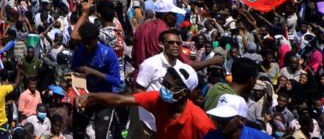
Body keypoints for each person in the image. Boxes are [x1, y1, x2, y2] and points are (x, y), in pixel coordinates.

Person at [76, 65, 216, 139]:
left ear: (184, 93)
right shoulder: (158, 99)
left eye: (169, 86)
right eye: (163, 83)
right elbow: (121, 99)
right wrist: (92, 96)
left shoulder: (200, 122)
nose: (163, 89)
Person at [204, 94, 271, 139]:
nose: (219, 121)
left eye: (226, 118)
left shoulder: (260, 137)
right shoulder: (211, 136)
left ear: (242, 120)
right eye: (218, 116)